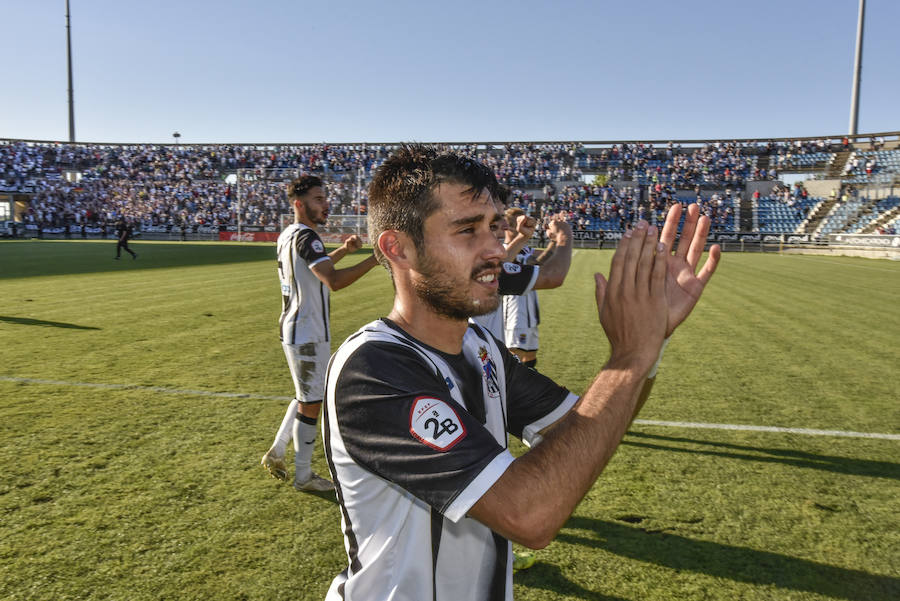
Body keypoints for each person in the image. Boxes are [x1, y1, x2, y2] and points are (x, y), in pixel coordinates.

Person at [322, 145, 720, 600]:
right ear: (398, 248)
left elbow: (586, 427)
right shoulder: (373, 368)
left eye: (494, 227)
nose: (495, 248)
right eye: (467, 230)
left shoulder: (480, 345)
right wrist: (627, 358)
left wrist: (651, 344)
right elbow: (529, 515)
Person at [260, 175, 380, 491]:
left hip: (296, 327)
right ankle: (303, 477)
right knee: (313, 400)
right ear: (299, 204)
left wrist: (342, 250)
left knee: (309, 394)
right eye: (318, 199)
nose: (325, 204)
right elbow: (333, 280)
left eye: (325, 198)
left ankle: (278, 449)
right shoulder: (308, 237)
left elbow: (315, 270)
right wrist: (374, 259)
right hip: (308, 331)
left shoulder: (289, 235)